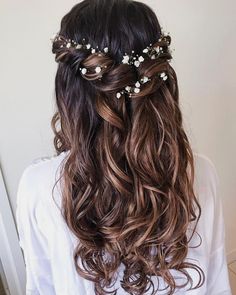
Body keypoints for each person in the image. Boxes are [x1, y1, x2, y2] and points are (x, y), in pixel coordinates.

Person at [15, 0, 232, 294]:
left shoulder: (39, 187)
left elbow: (42, 287)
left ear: (69, 92)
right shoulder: (199, 172)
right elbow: (215, 282)